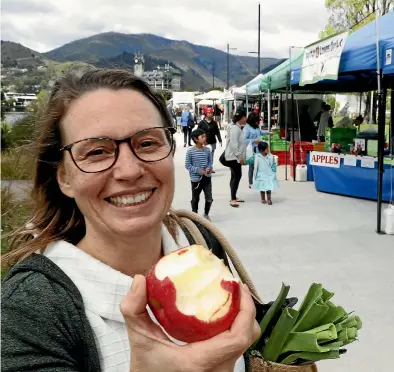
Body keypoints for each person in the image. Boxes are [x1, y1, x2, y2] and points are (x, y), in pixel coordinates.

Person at [1, 68, 260, 372]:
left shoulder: (198, 243)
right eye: (97, 151)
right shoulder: (28, 312)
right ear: (64, 178)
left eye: (148, 143)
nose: (129, 170)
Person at [185, 128, 213, 221]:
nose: (205, 138)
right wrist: (198, 170)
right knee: (195, 199)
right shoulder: (190, 151)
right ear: (196, 139)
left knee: (209, 198)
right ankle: (195, 216)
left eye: (205, 136)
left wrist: (209, 168)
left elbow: (210, 161)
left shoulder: (207, 150)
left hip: (207, 178)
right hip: (196, 180)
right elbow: (187, 165)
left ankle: (206, 214)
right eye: (202, 137)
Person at [225, 109, 247, 208]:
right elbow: (234, 144)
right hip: (233, 157)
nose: (245, 119)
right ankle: (233, 199)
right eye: (244, 117)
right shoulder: (235, 128)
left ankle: (233, 196)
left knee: (235, 176)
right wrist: (239, 156)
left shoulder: (238, 128)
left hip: (234, 157)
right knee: (237, 176)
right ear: (241, 118)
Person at [243, 113, 269, 188]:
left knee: (260, 165)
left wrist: (268, 132)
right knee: (252, 166)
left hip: (259, 149)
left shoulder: (256, 127)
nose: (257, 123)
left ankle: (259, 181)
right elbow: (244, 140)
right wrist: (254, 141)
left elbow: (260, 132)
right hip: (252, 150)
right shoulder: (247, 128)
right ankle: (250, 182)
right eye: (256, 121)